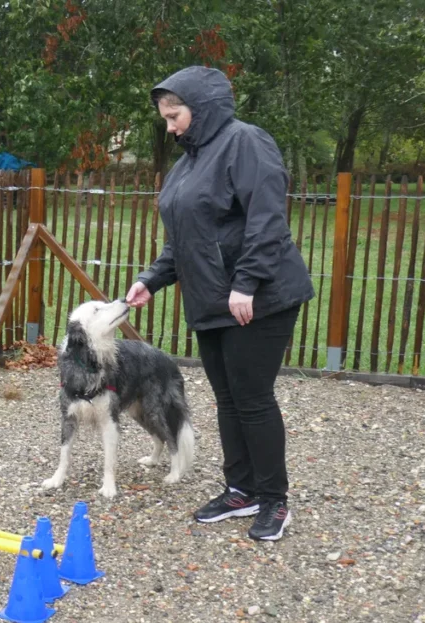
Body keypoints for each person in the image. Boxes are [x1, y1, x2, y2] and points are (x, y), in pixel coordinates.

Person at [125, 65, 315, 542]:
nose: (170, 128)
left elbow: (267, 220)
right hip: (211, 299)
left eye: (175, 116)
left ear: (202, 108)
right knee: (227, 399)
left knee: (252, 399)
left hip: (259, 297)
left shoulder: (245, 142)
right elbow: (185, 239)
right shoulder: (189, 162)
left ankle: (273, 500)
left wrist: (246, 282)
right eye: (166, 119)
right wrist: (152, 279)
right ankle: (241, 489)